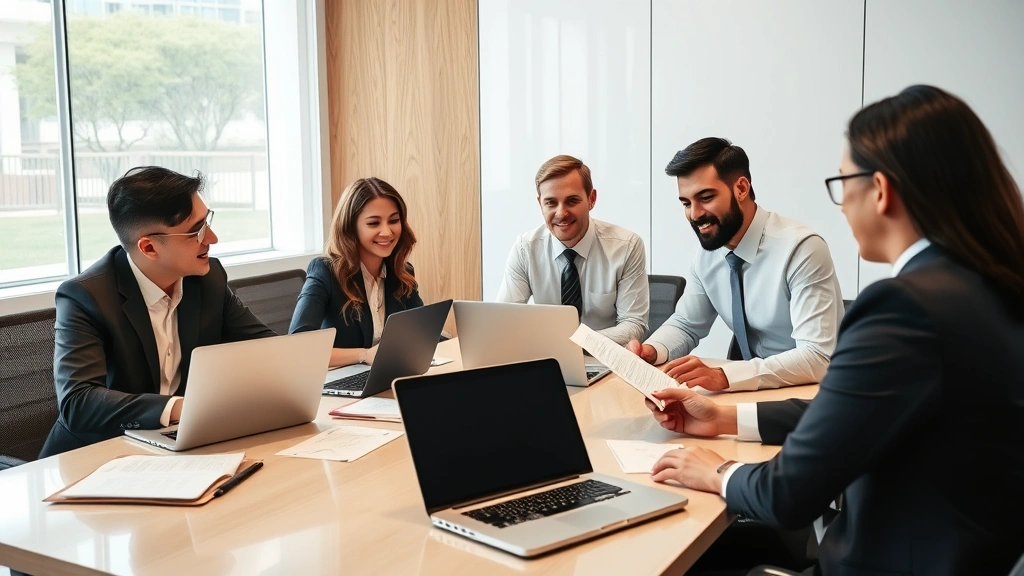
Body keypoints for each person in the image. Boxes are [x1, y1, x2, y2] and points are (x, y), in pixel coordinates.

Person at [646, 86, 1024, 575]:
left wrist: (717, 471)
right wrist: (722, 420)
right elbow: (859, 411)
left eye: (843, 182)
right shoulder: (989, 287)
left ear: (881, 190)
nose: (842, 203)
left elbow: (788, 495)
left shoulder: (904, 307)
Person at [40, 167, 275, 458]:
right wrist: (181, 408)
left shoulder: (207, 279)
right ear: (149, 247)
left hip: (176, 447)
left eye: (208, 221)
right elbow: (79, 402)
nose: (211, 238)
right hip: (96, 456)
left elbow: (269, 349)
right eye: (196, 231)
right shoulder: (86, 297)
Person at [626, 138, 844, 391]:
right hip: (752, 391)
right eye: (686, 203)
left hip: (813, 391)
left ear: (741, 188)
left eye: (705, 197)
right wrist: (653, 350)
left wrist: (725, 375)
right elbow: (687, 324)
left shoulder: (801, 248)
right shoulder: (708, 254)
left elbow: (817, 357)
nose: (695, 214)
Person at [496, 155, 649, 345]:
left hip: (604, 361)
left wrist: (575, 342)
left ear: (591, 199)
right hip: (548, 359)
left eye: (572, 201)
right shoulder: (525, 249)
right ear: (540, 204)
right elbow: (504, 322)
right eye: (551, 203)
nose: (561, 213)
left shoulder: (627, 246)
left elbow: (634, 326)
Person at [289, 177, 423, 367]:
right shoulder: (326, 271)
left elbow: (422, 331)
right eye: (374, 223)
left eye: (393, 220)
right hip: (340, 380)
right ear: (350, 227)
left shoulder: (401, 272)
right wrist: (363, 355)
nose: (387, 232)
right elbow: (298, 346)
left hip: (387, 375)